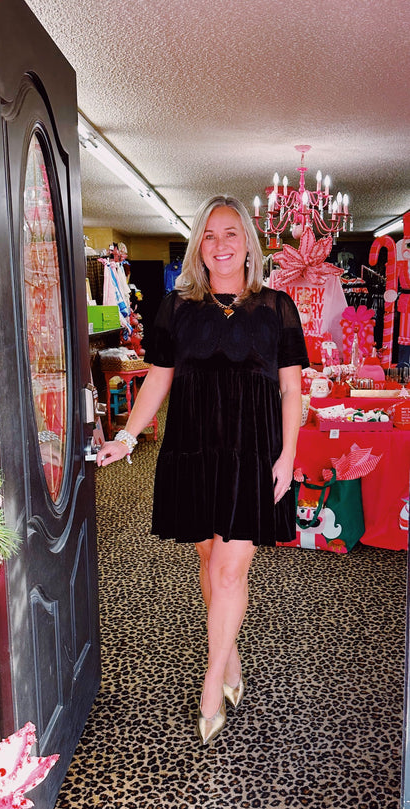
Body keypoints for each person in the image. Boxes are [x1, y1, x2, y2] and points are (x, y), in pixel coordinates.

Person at [96, 195, 309, 745]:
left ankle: (212, 684)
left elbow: (291, 389)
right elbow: (159, 380)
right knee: (210, 559)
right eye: (209, 235)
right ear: (198, 245)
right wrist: (125, 435)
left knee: (232, 570)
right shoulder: (176, 308)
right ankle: (232, 658)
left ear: (248, 244)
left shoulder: (278, 307)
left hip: (254, 452)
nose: (220, 245)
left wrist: (287, 455)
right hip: (194, 448)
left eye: (231, 234)